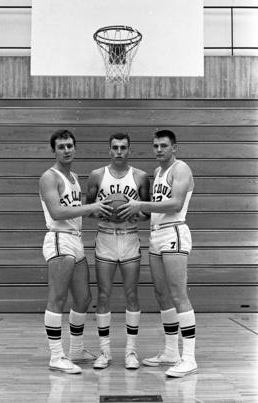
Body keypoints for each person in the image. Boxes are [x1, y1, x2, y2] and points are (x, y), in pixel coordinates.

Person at [118, 130, 197, 378]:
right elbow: (156, 209)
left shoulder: (180, 168)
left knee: (177, 294)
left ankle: (189, 358)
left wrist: (140, 205)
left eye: (164, 145)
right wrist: (129, 212)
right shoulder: (159, 173)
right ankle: (171, 352)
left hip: (174, 232)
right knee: (162, 294)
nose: (159, 149)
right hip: (156, 234)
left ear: (175, 147)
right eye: (155, 146)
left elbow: (174, 204)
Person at [39, 129, 112, 374]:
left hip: (76, 240)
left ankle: (76, 350)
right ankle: (56, 356)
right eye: (61, 146)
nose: (66, 150)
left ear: (75, 147)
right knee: (58, 298)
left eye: (70, 145)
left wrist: (102, 210)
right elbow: (58, 212)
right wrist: (90, 206)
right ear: (54, 150)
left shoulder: (73, 178)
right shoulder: (49, 177)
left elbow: (75, 209)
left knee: (83, 299)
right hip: (59, 239)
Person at [86, 133, 150, 370]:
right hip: (105, 239)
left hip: (130, 238)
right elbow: (88, 209)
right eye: (115, 147)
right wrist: (99, 212)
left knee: (131, 295)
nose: (119, 151)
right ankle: (104, 352)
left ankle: (131, 352)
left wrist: (135, 213)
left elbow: (149, 213)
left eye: (123, 147)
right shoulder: (96, 176)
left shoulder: (141, 177)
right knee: (103, 295)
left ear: (129, 150)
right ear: (109, 150)